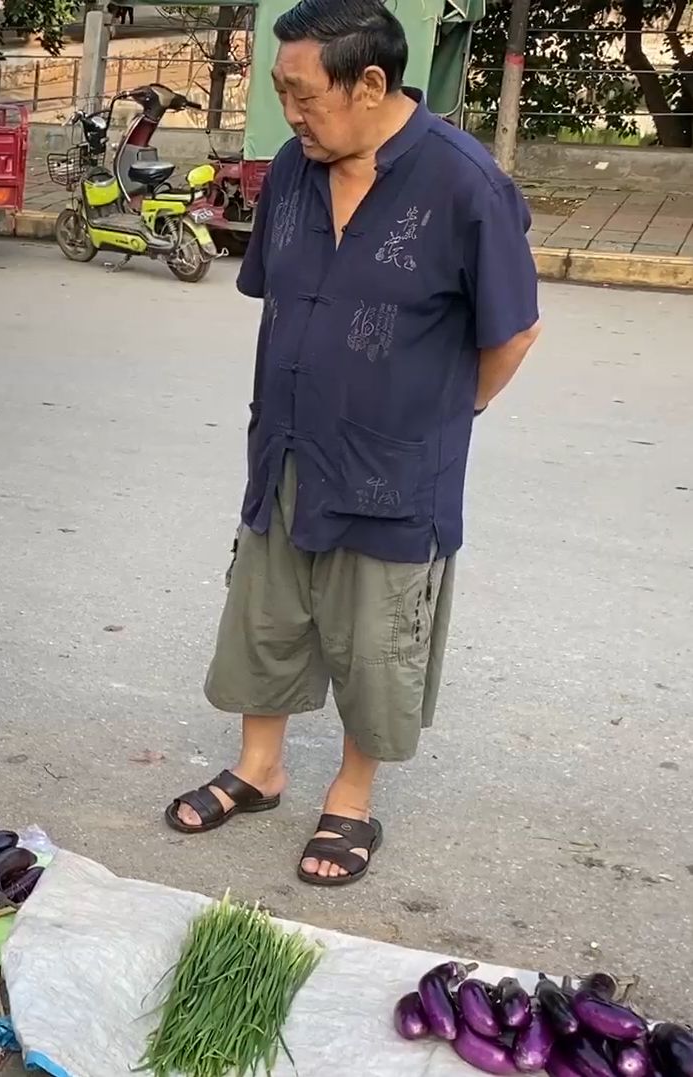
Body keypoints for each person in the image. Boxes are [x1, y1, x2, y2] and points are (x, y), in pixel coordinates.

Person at [166, 0, 540, 886]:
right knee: (267, 611)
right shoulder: (296, 170)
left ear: (370, 83)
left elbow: (512, 333)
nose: (289, 112)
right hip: (289, 445)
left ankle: (350, 798)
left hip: (394, 468)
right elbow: (281, 293)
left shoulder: (462, 185)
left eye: (302, 93)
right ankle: (259, 768)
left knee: (372, 639)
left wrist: (441, 421)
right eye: (278, 91)